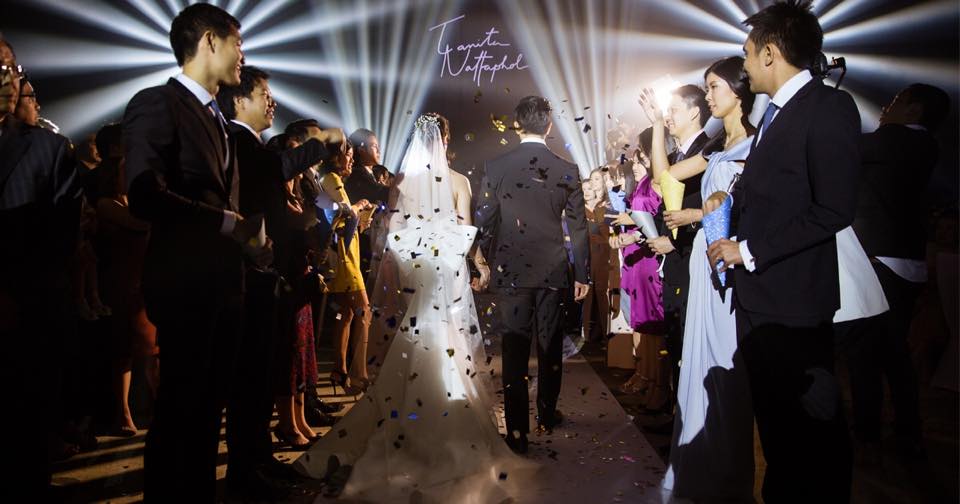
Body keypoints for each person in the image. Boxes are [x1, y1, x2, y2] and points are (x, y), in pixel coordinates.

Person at [295, 114, 526, 502]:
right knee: (449, 346)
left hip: (416, 277)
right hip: (445, 277)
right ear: (446, 141)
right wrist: (478, 264)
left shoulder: (402, 181)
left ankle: (408, 418)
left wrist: (410, 269)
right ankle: (444, 420)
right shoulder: (458, 182)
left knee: (417, 342)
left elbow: (392, 235)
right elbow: (466, 232)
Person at [707, 1, 860, 500]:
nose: (746, 65)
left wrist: (748, 250)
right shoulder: (774, 114)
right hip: (760, 299)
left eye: (748, 53)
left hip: (794, 305)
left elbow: (833, 209)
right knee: (778, 436)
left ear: (770, 53)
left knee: (810, 439)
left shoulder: (828, 107)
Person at [121, 5, 267, 500]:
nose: (242, 55)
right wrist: (225, 223)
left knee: (208, 413)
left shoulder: (218, 119)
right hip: (184, 285)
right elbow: (144, 194)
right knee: (180, 412)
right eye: (238, 44)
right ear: (209, 42)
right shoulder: (157, 104)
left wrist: (248, 243)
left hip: (225, 284)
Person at [216, 65, 342, 496]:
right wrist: (321, 143)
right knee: (249, 377)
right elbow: (277, 168)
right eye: (264, 95)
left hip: (267, 269)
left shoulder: (250, 144)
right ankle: (246, 472)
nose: (272, 102)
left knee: (261, 375)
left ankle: (260, 458)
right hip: (247, 272)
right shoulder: (237, 141)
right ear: (239, 101)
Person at [639, 56, 757, 501]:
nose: (708, 97)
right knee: (696, 361)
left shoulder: (757, 142)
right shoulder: (715, 148)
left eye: (713, 88)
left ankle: (728, 472)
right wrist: (656, 124)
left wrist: (696, 215)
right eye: (706, 89)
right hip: (700, 265)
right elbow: (663, 176)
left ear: (739, 91)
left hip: (727, 262)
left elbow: (748, 207)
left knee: (725, 366)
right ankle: (698, 461)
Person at [475, 95, 591, 453]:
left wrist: (479, 260)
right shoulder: (566, 168)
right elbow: (579, 228)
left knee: (514, 348)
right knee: (550, 344)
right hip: (553, 269)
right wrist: (582, 274)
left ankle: (517, 432)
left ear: (517, 125)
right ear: (549, 125)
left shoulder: (496, 167)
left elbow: (485, 219)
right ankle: (547, 413)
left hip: (511, 269)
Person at [845, 83, 950, 459]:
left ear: (915, 110)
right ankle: (907, 430)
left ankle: (868, 433)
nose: (886, 107)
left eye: (895, 101)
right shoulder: (927, 146)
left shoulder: (894, 140)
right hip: (907, 262)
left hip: (881, 262)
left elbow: (846, 149)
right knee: (894, 352)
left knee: (865, 352)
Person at [0, 36, 82, 500]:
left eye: (12, 69)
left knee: (25, 441)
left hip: (27, 316)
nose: (8, 80)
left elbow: (60, 238)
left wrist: (15, 294)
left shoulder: (48, 150)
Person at [608, 128, 668, 410]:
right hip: (635, 260)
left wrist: (634, 229)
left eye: (640, 155)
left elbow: (659, 218)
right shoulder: (641, 185)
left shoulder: (657, 182)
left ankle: (659, 385)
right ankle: (646, 376)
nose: (635, 161)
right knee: (642, 324)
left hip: (649, 260)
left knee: (654, 328)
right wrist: (625, 235)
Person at [318, 139, 375, 395]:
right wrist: (359, 206)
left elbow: (343, 220)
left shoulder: (329, 179)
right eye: (348, 155)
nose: (351, 160)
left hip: (345, 253)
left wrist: (360, 220)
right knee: (363, 311)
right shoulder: (331, 179)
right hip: (344, 258)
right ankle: (359, 373)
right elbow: (342, 214)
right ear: (336, 156)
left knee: (345, 313)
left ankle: (339, 370)